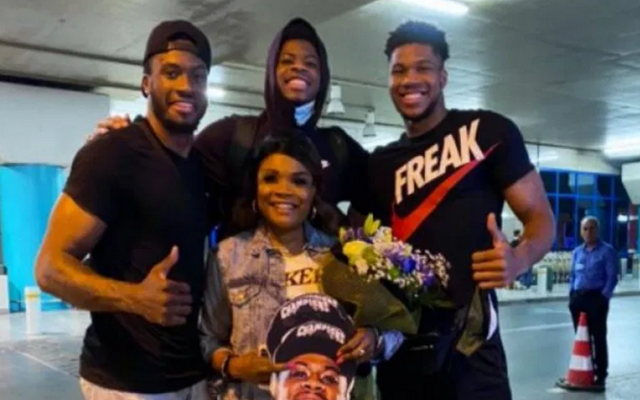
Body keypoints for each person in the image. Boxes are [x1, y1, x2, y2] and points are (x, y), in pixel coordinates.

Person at [365, 21, 556, 400]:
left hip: (472, 348)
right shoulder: (380, 164)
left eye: (423, 68)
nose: (409, 79)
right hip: (402, 349)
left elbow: (541, 219)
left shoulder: (488, 133)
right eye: (399, 70)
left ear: (443, 76)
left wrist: (519, 259)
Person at [35, 20, 213, 399]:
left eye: (198, 76)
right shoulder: (113, 153)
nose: (186, 86)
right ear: (146, 83)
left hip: (192, 376)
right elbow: (49, 268)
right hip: (127, 384)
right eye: (171, 73)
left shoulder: (201, 165)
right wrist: (135, 298)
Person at [93, 17, 370, 238]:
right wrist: (129, 139)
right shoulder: (233, 137)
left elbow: (379, 190)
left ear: (323, 77)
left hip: (320, 284)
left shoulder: (337, 146)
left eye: (311, 63)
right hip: (239, 283)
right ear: (271, 71)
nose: (299, 68)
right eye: (287, 61)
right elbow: (173, 164)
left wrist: (358, 249)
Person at [199, 133, 402, 400]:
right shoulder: (228, 256)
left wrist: (374, 338)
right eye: (270, 178)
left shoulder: (343, 253)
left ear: (314, 190)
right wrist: (234, 365)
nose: (284, 190)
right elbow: (208, 337)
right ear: (255, 188)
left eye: (299, 181)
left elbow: (396, 331)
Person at [559, 216, 618, 391]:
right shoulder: (577, 252)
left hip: (596, 298)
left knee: (598, 337)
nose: (588, 232)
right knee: (582, 338)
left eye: (592, 228)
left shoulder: (607, 251)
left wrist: (603, 298)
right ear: (580, 231)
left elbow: (612, 277)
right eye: (585, 229)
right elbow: (572, 275)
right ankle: (586, 371)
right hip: (578, 299)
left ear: (597, 230)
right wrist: (572, 295)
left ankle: (601, 375)